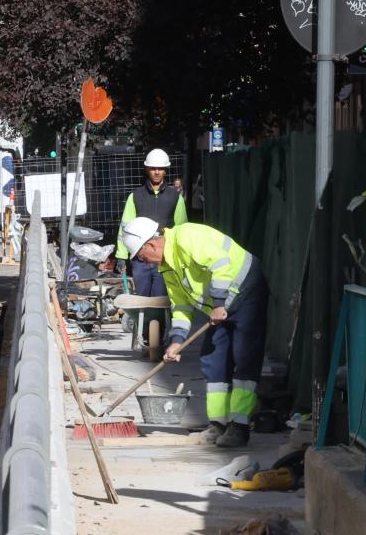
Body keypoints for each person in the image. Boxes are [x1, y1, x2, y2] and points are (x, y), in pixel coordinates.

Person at [119, 217, 269, 449]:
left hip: (246, 290)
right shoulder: (167, 267)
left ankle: (239, 426)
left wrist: (219, 303)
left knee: (245, 357)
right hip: (219, 308)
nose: (143, 261)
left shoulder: (187, 237)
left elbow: (221, 263)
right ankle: (218, 423)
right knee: (213, 358)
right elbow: (181, 306)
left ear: (152, 245)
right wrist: (176, 341)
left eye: (141, 255)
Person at [115, 149, 188, 298]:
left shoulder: (175, 198)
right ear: (147, 169)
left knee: (160, 300)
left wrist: (182, 256)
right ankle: (143, 322)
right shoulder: (135, 196)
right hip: (140, 258)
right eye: (153, 168)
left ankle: (159, 322)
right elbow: (125, 228)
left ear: (165, 170)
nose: (156, 172)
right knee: (142, 299)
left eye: (160, 168)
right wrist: (121, 256)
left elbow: (182, 229)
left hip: (164, 257)